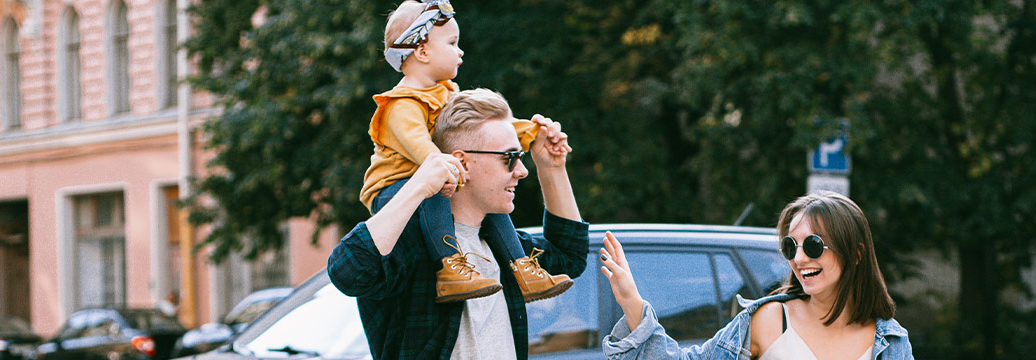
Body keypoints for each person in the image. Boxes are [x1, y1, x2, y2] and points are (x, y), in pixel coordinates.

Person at [328, 88, 588, 360]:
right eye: (509, 158)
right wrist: (420, 183)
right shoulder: (412, 246)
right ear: (462, 161)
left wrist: (552, 168)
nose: (522, 171)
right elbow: (347, 271)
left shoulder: (504, 246)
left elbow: (570, 256)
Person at [359, 0, 570, 303]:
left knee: (488, 195)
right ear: (422, 51)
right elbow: (420, 145)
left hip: (435, 175)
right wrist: (440, 167)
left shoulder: (448, 93)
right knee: (436, 190)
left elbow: (487, 128)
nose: (460, 51)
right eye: (452, 43)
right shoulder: (400, 104)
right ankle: (450, 269)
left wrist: (533, 133)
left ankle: (522, 269)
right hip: (395, 189)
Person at [599, 191, 914, 359]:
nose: (800, 258)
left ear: (856, 253)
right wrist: (632, 302)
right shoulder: (769, 319)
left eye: (814, 245)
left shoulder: (889, 340)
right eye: (791, 246)